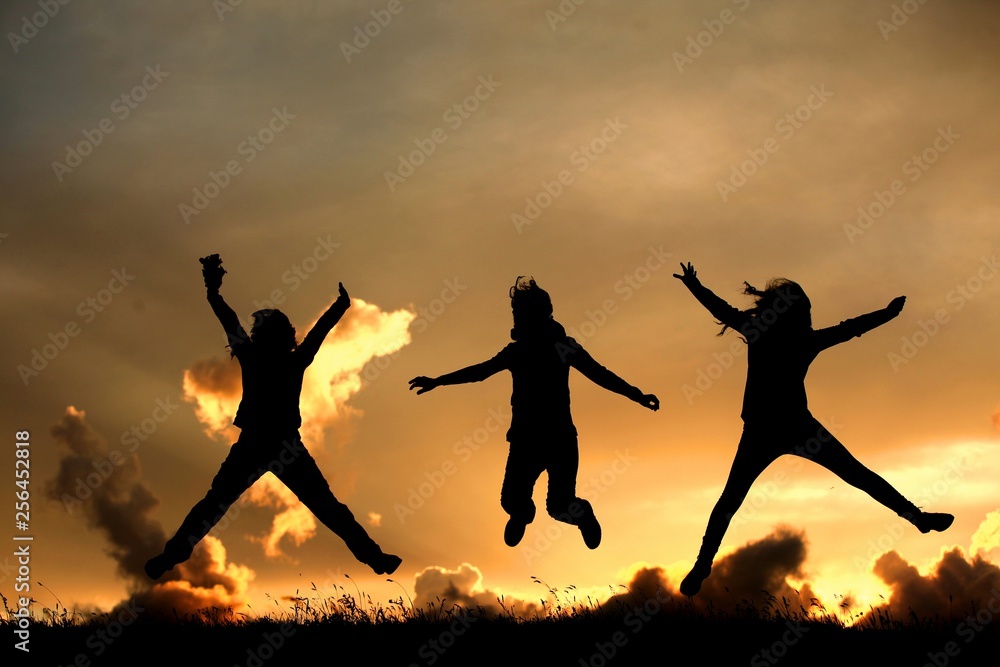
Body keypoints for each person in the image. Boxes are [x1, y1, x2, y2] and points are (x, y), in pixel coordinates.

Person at [673, 262, 953, 596]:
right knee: (731, 500)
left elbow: (849, 328)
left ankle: (917, 519)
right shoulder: (771, 333)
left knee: (855, 474)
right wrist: (694, 286)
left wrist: (886, 314)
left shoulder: (773, 333)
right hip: (769, 431)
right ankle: (703, 563)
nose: (809, 317)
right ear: (790, 312)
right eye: (805, 311)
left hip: (794, 427)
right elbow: (847, 328)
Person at [145, 254, 400, 580]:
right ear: (285, 337)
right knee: (323, 507)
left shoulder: (260, 357)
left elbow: (233, 321)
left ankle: (375, 557)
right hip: (275, 445)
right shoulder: (288, 359)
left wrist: (213, 292)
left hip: (265, 444)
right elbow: (309, 332)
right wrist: (340, 306)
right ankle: (375, 558)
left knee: (216, 506)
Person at [409, 276, 659, 549]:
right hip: (528, 441)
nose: (515, 318)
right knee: (512, 501)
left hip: (556, 439)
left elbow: (599, 374)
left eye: (519, 313)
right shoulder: (518, 351)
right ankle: (523, 513)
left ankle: (582, 515)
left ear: (535, 315)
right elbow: (480, 372)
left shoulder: (561, 347)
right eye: (515, 313)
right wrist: (438, 381)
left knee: (560, 506)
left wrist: (637, 395)